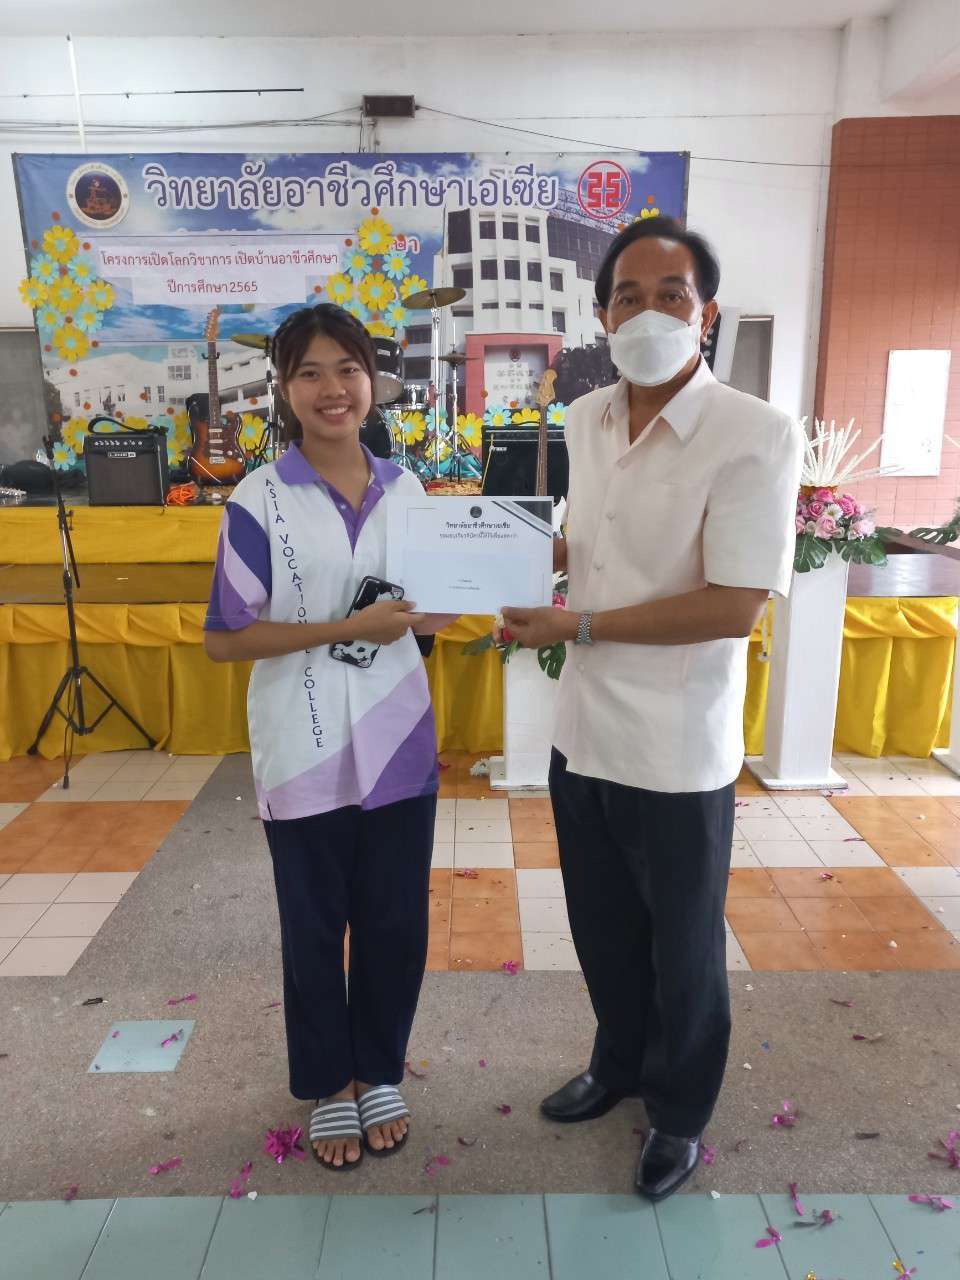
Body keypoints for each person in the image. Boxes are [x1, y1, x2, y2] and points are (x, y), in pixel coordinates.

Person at [502, 217, 803, 1201]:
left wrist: (578, 623)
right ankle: (619, 1062)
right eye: (627, 295)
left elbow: (734, 604)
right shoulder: (586, 416)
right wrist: (498, 556)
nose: (648, 312)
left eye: (671, 294)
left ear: (704, 314)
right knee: (600, 926)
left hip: (677, 745)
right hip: (583, 731)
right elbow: (590, 539)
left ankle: (678, 1112)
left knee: (684, 947)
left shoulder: (756, 433)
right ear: (601, 315)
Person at [204, 303, 454, 1172]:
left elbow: (424, 612)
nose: (331, 388)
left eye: (347, 369)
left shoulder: (408, 491)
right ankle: (328, 1085)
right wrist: (344, 627)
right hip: (301, 748)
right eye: (309, 372)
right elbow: (225, 637)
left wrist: (460, 602)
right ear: (283, 388)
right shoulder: (259, 499)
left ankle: (378, 1070)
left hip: (397, 743)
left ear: (373, 380)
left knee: (393, 922)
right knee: (313, 929)